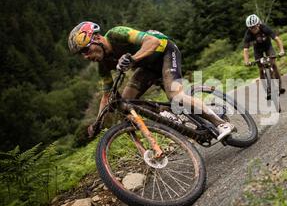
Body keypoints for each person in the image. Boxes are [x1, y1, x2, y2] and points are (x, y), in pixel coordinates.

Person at [68, 21, 235, 141]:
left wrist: (132, 59)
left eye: (86, 50)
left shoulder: (116, 33)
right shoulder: (103, 64)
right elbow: (106, 97)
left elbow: (153, 42)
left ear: (96, 38)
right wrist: (97, 123)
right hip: (146, 68)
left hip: (165, 53)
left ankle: (221, 124)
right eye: (82, 54)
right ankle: (167, 113)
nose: (86, 56)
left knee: (176, 97)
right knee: (126, 104)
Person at [242, 14, 286, 98]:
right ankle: (267, 90)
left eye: (254, 27)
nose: (253, 29)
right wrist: (246, 61)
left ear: (258, 24)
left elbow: (277, 39)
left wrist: (281, 50)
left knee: (273, 64)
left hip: (268, 47)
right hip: (257, 51)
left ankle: (279, 87)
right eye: (250, 28)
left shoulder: (264, 28)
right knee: (261, 69)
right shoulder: (248, 34)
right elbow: (245, 49)